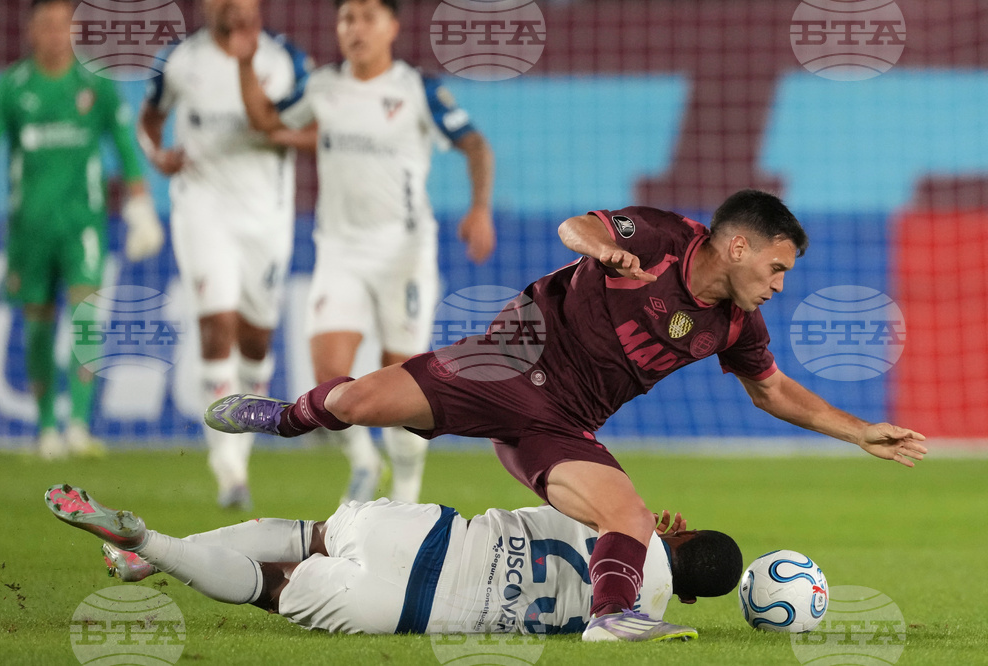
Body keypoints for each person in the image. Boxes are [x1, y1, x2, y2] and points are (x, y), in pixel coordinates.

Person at [205, 189, 928, 641]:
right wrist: (607, 252)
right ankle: (281, 417)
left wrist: (859, 430)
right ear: (736, 245)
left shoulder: (737, 324)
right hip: (504, 364)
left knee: (631, 516)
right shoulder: (661, 235)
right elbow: (573, 226)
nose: (778, 283)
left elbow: (772, 391)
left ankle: (613, 619)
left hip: (560, 426)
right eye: (776, 266)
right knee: (355, 401)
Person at [231, 0, 497, 504]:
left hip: (405, 254)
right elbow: (266, 120)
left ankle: (408, 496)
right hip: (340, 252)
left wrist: (479, 208)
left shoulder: (416, 88)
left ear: (392, 26)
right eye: (346, 18)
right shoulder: (322, 86)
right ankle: (362, 462)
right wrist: (246, 63)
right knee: (328, 374)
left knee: (403, 381)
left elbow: (477, 146)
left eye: (368, 17)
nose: (355, 28)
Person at [47, 483, 742, 639]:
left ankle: (153, 552)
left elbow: (568, 483)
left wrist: (639, 521)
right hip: (415, 612)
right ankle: (153, 551)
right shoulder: (636, 616)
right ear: (688, 597)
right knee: (266, 587)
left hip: (427, 538)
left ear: (681, 535)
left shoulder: (620, 512)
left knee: (303, 534)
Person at [137, 0, 314, 509]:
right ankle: (228, 468)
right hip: (201, 209)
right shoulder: (178, 60)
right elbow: (149, 119)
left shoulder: (286, 61)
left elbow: (301, 127)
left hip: (265, 218)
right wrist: (157, 155)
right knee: (216, 326)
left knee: (256, 340)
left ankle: (243, 443)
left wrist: (275, 123)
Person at [0, 0, 164, 459]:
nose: (53, 34)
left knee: (85, 320)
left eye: (61, 25)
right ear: (31, 32)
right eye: (45, 25)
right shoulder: (12, 88)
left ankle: (80, 426)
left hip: (82, 226)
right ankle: (47, 427)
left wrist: (140, 202)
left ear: (73, 31)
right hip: (28, 231)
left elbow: (125, 145)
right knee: (39, 329)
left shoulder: (94, 86)